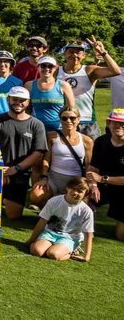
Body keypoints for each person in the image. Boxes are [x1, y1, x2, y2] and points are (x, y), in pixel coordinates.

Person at [57, 38, 119, 138]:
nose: (74, 55)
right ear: (64, 54)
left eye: (78, 52)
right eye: (71, 52)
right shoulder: (56, 72)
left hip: (87, 122)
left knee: (92, 153)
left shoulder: (89, 70)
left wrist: (102, 52)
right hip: (64, 121)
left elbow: (115, 71)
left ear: (84, 55)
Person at [27, 177, 95, 262]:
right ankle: (44, 245)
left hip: (70, 238)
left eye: (80, 191)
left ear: (85, 194)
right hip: (50, 233)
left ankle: (71, 252)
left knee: (53, 254)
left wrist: (86, 256)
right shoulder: (54, 201)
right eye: (73, 189)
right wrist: (31, 240)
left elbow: (88, 234)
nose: (75, 192)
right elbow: (42, 222)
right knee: (37, 251)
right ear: (67, 187)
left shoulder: (86, 211)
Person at [38, 107, 95, 204]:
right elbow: (46, 159)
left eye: (72, 118)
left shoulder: (87, 141)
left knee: (72, 207)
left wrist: (90, 184)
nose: (68, 121)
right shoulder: (51, 136)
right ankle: (49, 207)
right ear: (60, 120)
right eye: (64, 118)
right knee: (36, 195)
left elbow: (89, 165)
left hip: (75, 181)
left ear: (78, 119)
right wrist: (44, 178)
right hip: (54, 178)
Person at [88, 108, 124, 241]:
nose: (119, 126)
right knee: (82, 188)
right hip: (103, 187)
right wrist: (93, 185)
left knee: (121, 236)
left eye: (122, 123)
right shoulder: (101, 141)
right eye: (115, 122)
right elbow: (92, 169)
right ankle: (76, 223)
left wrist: (103, 179)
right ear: (108, 123)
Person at [28, 56, 76, 133]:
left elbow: (71, 110)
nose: (47, 69)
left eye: (50, 66)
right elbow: (27, 109)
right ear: (38, 67)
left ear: (55, 68)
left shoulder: (64, 85)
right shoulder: (29, 85)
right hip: (36, 130)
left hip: (59, 130)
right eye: (43, 66)